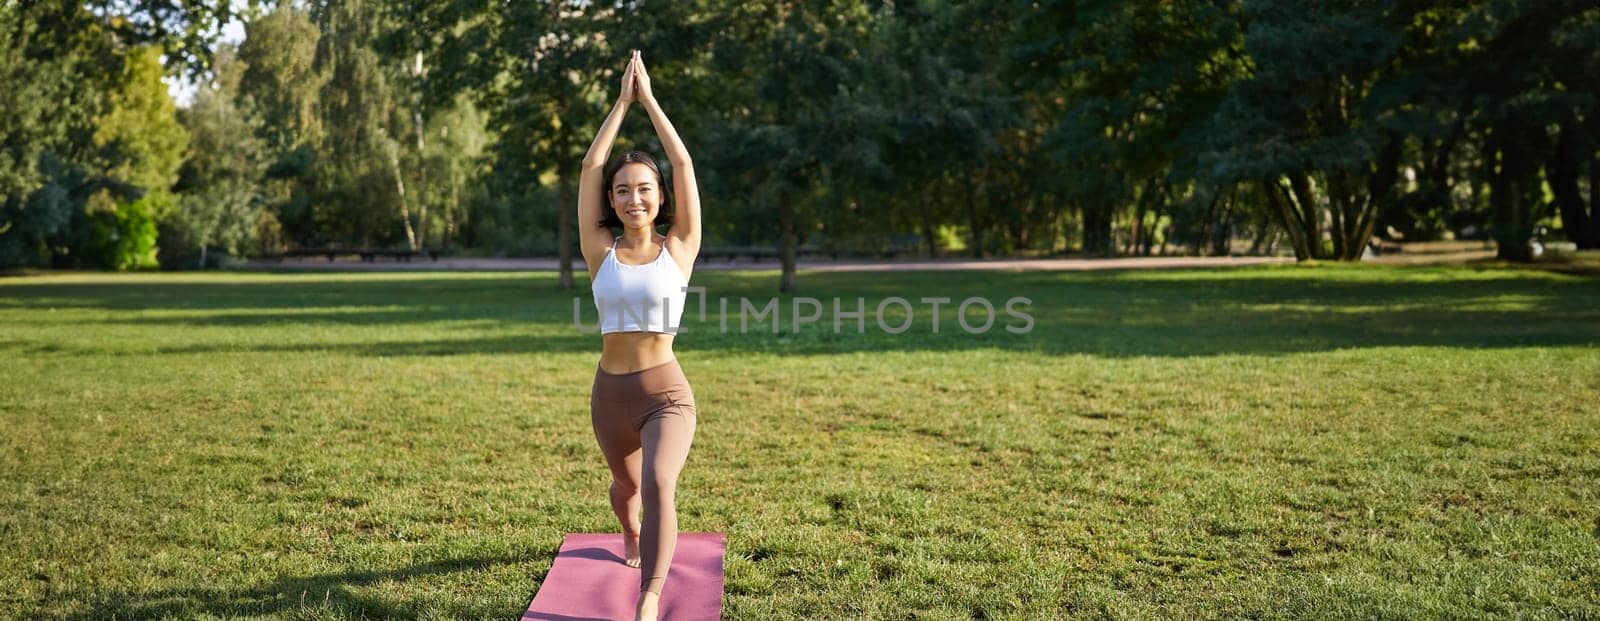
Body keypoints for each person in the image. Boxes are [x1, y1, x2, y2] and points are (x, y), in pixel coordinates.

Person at [578, 50, 702, 621]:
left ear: (659, 196)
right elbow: (588, 166)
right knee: (626, 494)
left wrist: (648, 101)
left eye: (644, 189)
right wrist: (619, 103)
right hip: (611, 395)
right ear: (612, 200)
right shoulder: (598, 252)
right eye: (623, 190)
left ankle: (649, 598)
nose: (634, 198)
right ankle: (628, 533)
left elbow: (683, 163)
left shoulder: (678, 249)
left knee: (658, 484)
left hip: (665, 395)